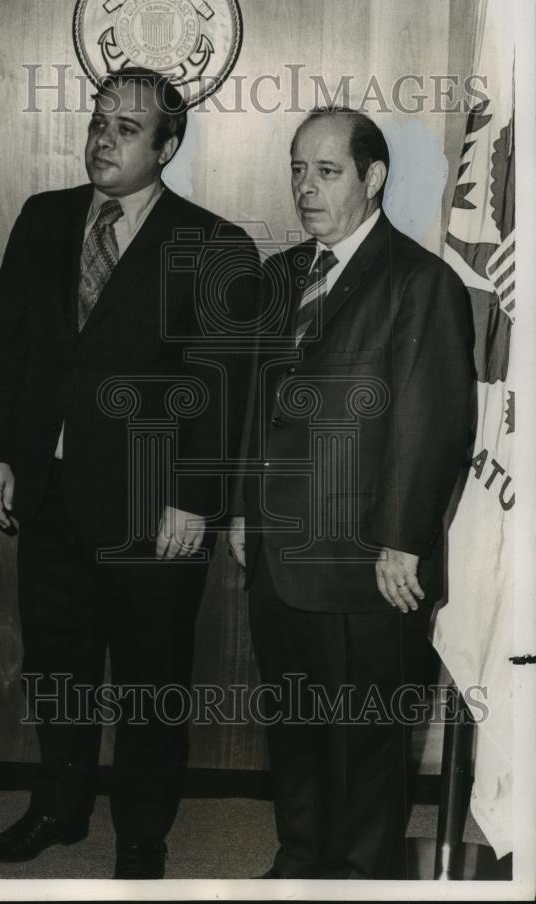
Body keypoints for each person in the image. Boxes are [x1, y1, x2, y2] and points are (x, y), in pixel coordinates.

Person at [0, 69, 258, 879]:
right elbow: (6, 347)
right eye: (98, 121)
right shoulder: (43, 218)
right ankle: (57, 810)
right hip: (51, 496)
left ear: (166, 149)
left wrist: (195, 502)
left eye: (126, 129)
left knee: (149, 679)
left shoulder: (213, 244)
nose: (102, 139)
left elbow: (221, 386)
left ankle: (142, 832)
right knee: (55, 667)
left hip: (153, 508)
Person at [230, 107, 475, 879]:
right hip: (278, 548)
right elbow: (252, 408)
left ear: (371, 179)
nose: (305, 187)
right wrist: (242, 508)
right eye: (297, 169)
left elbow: (430, 419)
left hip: (370, 559)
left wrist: (402, 539)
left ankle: (367, 878)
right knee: (294, 725)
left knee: (369, 742)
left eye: (325, 171)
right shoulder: (277, 278)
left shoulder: (419, 282)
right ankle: (299, 858)